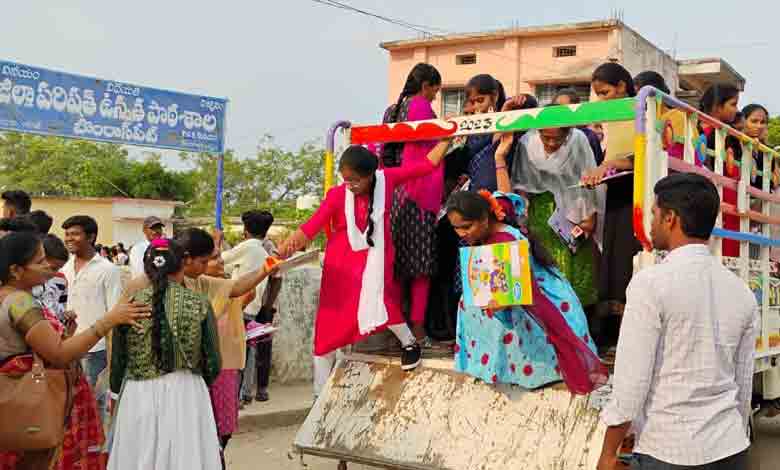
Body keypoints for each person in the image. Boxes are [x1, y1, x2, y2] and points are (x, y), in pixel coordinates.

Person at [598, 173, 756, 470]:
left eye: (655, 214)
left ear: (670, 218)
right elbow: (743, 385)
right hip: (730, 447)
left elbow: (631, 388)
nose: (651, 223)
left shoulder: (650, 285)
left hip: (669, 449)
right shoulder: (742, 292)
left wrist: (608, 453)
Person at [279, 142, 453, 396]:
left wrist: (447, 139)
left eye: (355, 180)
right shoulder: (338, 195)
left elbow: (426, 165)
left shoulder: (387, 180)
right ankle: (319, 393)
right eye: (345, 179)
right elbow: (311, 225)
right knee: (330, 322)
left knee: (382, 300)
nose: (349, 184)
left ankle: (409, 343)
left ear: (371, 175)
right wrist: (287, 247)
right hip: (342, 264)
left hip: (377, 257)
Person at [120, 228, 281, 465]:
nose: (208, 266)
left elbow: (235, 288)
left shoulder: (199, 282)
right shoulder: (141, 287)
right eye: (205, 260)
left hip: (158, 384)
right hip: (163, 382)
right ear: (185, 259)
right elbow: (121, 334)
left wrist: (265, 269)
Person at [0, 232, 149, 470]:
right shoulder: (19, 302)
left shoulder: (11, 297)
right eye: (39, 262)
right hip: (30, 409)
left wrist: (67, 334)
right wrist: (109, 320)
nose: (47, 266)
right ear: (16, 271)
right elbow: (59, 354)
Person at [445, 191, 605, 393]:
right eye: (456, 228)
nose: (461, 233)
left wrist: (499, 304)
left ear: (485, 219)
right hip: (510, 288)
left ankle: (514, 369)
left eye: (466, 227)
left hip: (526, 296)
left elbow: (511, 296)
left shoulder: (504, 242)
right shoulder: (496, 210)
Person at [108, 238, 222, 470]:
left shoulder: (129, 304)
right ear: (182, 265)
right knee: (185, 457)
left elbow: (118, 361)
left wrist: (117, 390)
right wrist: (197, 381)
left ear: (147, 267)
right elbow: (213, 361)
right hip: (187, 393)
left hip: (138, 393)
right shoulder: (199, 303)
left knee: (140, 455)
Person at [495, 124, 605, 309]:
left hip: (574, 210)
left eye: (558, 139)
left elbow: (588, 180)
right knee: (545, 269)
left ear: (568, 133)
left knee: (576, 268)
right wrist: (523, 216)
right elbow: (521, 185)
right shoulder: (527, 142)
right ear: (538, 132)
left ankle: (576, 321)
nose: (551, 143)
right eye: (546, 138)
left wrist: (589, 217)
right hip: (541, 214)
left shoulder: (578, 140)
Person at [579, 63, 639, 355]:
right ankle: (613, 335)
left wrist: (612, 164)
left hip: (638, 190)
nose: (601, 100)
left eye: (605, 93)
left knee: (629, 260)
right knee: (612, 260)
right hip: (615, 191)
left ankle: (631, 335)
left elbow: (642, 154)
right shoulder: (611, 118)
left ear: (622, 87)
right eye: (598, 95)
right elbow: (611, 157)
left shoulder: (641, 110)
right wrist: (600, 171)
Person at [388, 63, 443, 342]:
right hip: (420, 191)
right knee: (421, 265)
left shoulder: (393, 109)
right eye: (435, 91)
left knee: (397, 263)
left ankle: (396, 324)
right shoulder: (420, 105)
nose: (435, 97)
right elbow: (437, 144)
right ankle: (418, 326)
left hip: (397, 192)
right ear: (426, 86)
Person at [218, 210, 273, 406]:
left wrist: (218, 241)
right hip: (252, 309)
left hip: (238, 306)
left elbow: (221, 261)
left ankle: (234, 397)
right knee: (246, 353)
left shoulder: (248, 247)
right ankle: (242, 394)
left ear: (246, 230)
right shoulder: (264, 252)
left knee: (233, 356)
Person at [61, 215, 123, 388]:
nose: (68, 239)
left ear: (91, 237)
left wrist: (113, 355)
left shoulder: (108, 270)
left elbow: (115, 312)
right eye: (66, 234)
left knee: (93, 403)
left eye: (74, 234)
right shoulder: (63, 268)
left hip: (95, 350)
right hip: (66, 347)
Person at [699, 84, 741, 257]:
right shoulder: (702, 130)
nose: (736, 110)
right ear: (717, 106)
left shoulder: (729, 134)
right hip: (714, 193)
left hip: (729, 195)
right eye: (733, 104)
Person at [552, 88, 605, 165]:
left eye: (565, 109)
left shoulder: (588, 136)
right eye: (556, 108)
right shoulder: (547, 135)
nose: (559, 113)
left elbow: (595, 167)